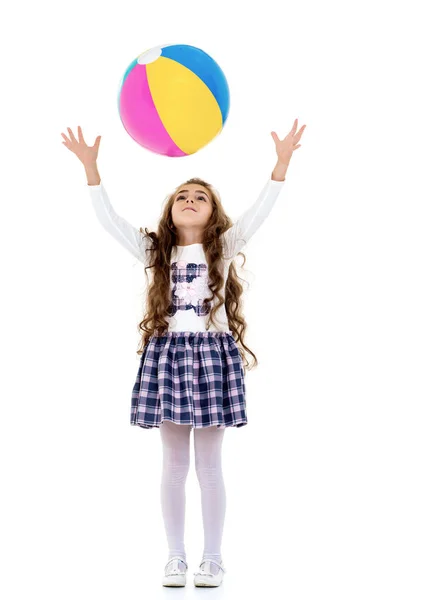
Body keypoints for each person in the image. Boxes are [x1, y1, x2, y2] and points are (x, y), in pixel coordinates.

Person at [61, 119, 306, 587]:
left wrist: (281, 165)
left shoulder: (223, 248)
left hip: (212, 359)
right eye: (182, 197)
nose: (190, 200)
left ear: (213, 214)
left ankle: (212, 558)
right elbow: (109, 221)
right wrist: (92, 171)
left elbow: (258, 214)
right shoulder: (155, 253)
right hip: (169, 358)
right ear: (170, 212)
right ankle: (175, 557)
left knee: (210, 465)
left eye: (200, 197)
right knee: (173, 464)